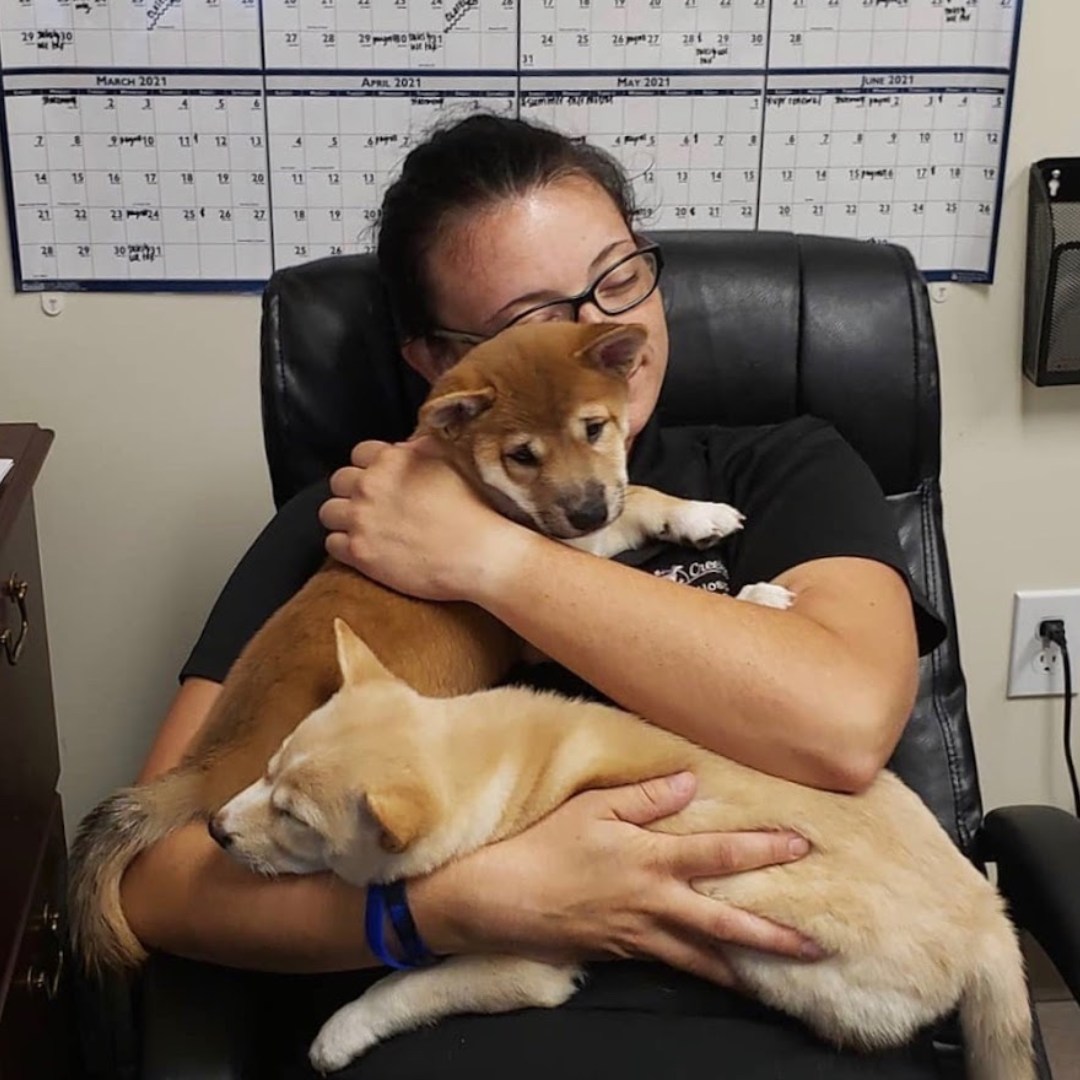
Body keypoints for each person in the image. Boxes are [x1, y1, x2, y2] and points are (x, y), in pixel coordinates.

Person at [121, 114, 946, 1078]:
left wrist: (488, 562)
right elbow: (154, 880)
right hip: (458, 1018)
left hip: (796, 1003)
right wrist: (442, 907)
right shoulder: (353, 518)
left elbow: (845, 725)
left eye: (619, 279)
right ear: (438, 362)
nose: (599, 334)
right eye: (532, 323)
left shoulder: (782, 470)